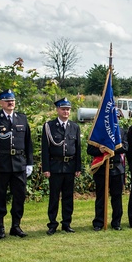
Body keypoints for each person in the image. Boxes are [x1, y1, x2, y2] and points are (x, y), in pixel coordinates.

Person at [0, 89, 34, 238]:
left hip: (19, 163)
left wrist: (29, 162)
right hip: (1, 164)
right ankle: (0, 226)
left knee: (19, 195)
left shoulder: (22, 118)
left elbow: (28, 143)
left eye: (12, 100)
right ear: (1, 103)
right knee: (0, 196)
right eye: (7, 101)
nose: (10, 103)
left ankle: (16, 226)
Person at [41, 97, 81, 234]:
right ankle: (52, 224)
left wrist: (78, 167)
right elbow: (45, 149)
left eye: (68, 109)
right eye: (63, 109)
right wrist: (46, 168)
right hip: (55, 166)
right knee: (54, 197)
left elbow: (78, 148)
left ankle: (66, 223)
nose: (66, 112)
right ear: (57, 110)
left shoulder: (74, 127)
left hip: (70, 166)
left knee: (68, 197)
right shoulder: (49, 126)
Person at [88, 110, 127, 231]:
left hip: (117, 169)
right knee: (101, 197)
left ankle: (116, 223)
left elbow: (125, 147)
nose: (115, 120)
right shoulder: (98, 132)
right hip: (102, 169)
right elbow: (90, 150)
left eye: (117, 118)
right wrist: (100, 150)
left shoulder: (122, 131)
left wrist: (110, 148)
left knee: (117, 197)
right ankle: (99, 223)